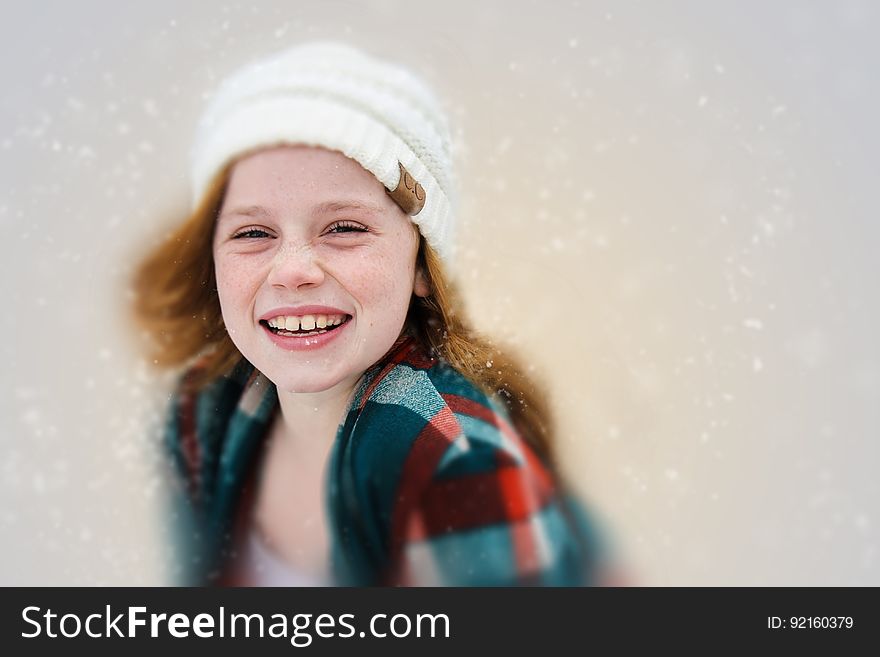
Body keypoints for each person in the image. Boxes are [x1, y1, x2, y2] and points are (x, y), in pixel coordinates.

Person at [132, 41, 610, 586]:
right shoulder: (204, 414)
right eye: (253, 233)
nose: (292, 271)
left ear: (421, 269)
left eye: (344, 228)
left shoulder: (451, 457)